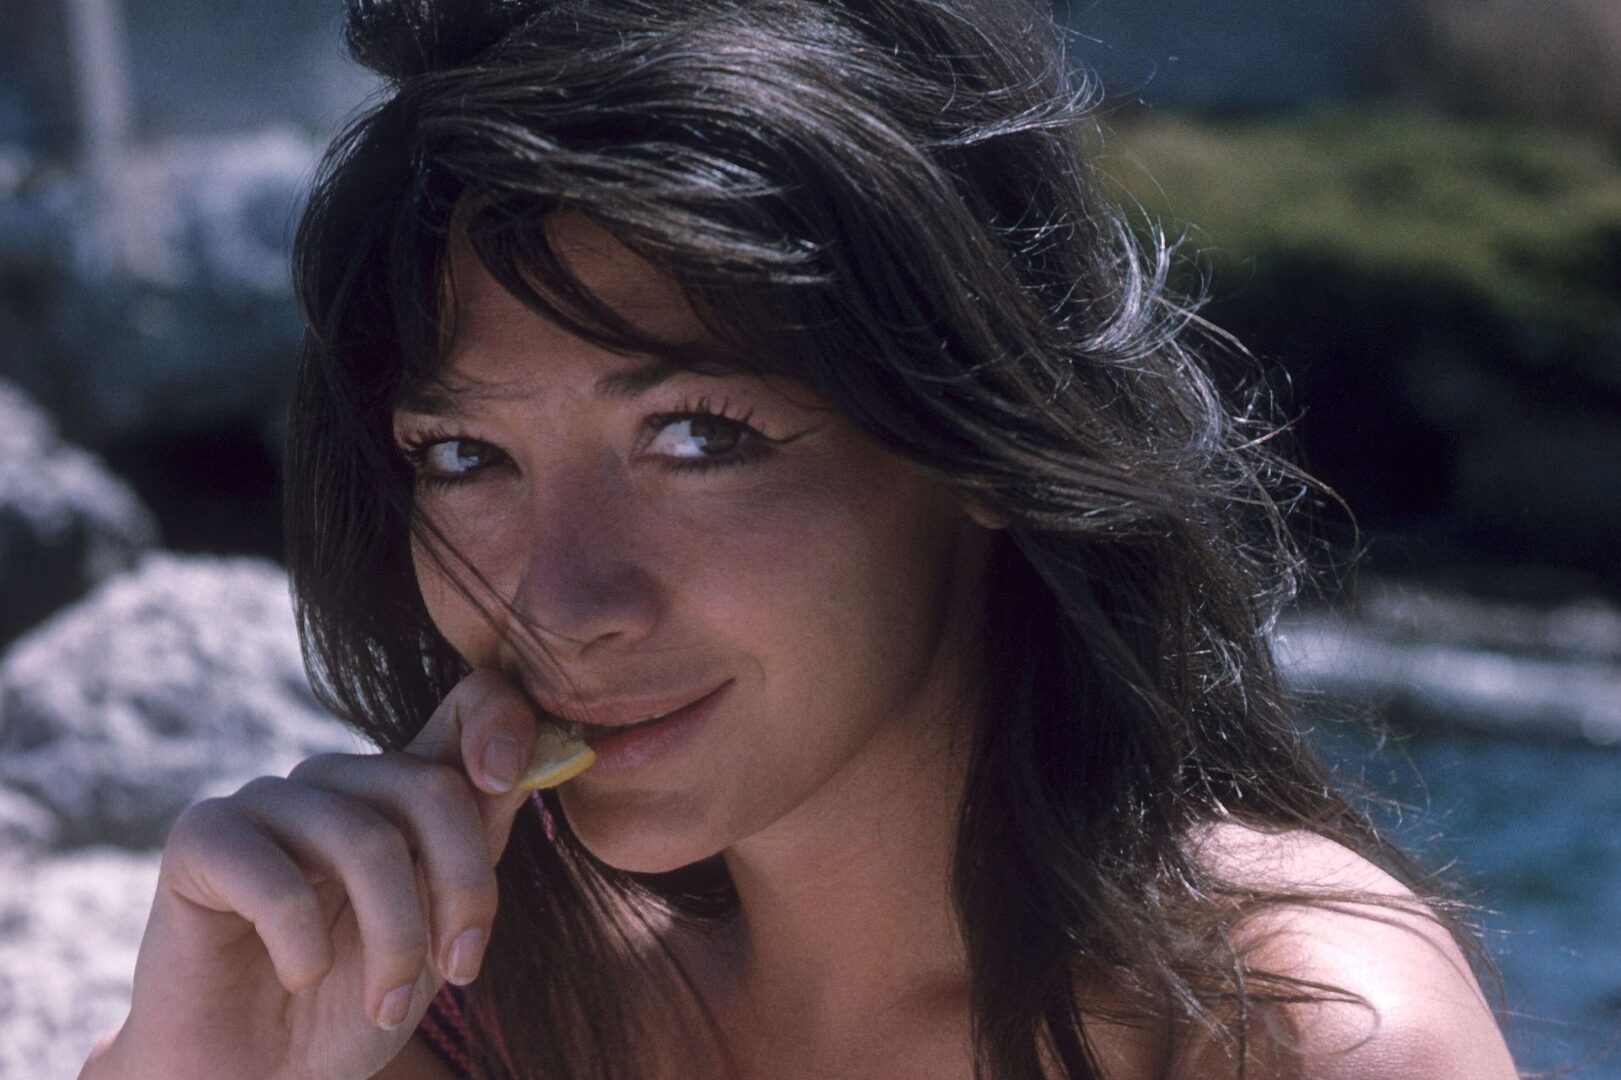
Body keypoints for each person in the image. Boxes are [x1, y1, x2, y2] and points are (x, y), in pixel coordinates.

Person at [79, 1, 1522, 1077]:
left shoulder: (1297, 1041)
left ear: (979, 433)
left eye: (698, 437)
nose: (557, 599)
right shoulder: (448, 1019)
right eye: (465, 458)